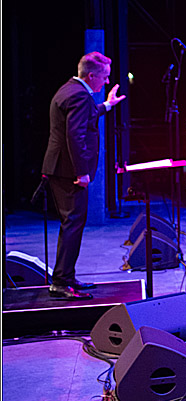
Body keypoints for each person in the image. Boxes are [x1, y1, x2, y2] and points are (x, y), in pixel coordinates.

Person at [41, 51, 125, 299]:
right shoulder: (78, 95)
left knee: (72, 224)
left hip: (60, 169)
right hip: (68, 172)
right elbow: (74, 136)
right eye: (105, 77)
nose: (106, 82)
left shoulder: (70, 90)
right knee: (72, 224)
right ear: (91, 76)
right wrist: (82, 173)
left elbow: (83, 117)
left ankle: (66, 277)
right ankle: (61, 282)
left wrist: (107, 105)